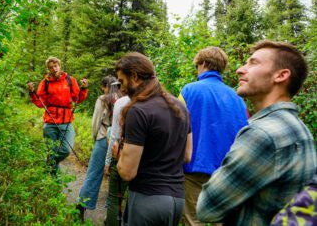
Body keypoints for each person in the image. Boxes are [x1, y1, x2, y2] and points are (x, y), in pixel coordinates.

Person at [196, 40, 317, 225]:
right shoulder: (300, 129)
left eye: (253, 63)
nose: (240, 69)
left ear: (281, 75)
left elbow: (206, 208)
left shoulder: (263, 134)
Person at [114, 52, 193, 226]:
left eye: (121, 81)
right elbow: (187, 156)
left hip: (147, 199)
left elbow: (127, 172)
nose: (121, 89)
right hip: (176, 201)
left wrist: (118, 156)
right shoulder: (181, 107)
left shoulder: (138, 110)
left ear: (134, 76)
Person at [179, 47, 248, 226]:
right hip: (227, 172)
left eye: (197, 65)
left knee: (193, 221)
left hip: (194, 169)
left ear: (203, 63)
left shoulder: (188, 91)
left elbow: (175, 127)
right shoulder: (238, 98)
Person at [27, 56, 88, 174]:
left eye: (55, 66)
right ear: (48, 69)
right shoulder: (45, 83)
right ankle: (54, 184)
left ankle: (48, 165)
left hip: (66, 121)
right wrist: (31, 92)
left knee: (66, 149)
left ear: (59, 66)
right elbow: (40, 102)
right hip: (50, 122)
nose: (54, 69)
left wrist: (84, 88)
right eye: (51, 67)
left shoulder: (70, 80)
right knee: (51, 151)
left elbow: (78, 98)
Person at [77, 76, 121, 222]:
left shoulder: (103, 99)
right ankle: (112, 216)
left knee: (93, 174)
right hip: (119, 142)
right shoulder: (123, 97)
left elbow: (96, 122)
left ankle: (82, 207)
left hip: (103, 138)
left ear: (104, 86)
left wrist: (95, 138)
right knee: (116, 179)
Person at [104, 94, 130, 226]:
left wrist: (108, 161)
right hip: (146, 161)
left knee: (114, 199)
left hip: (122, 155)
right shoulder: (157, 100)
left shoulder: (122, 102)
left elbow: (114, 135)